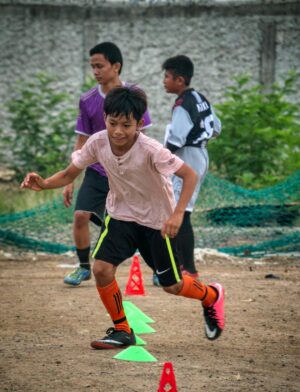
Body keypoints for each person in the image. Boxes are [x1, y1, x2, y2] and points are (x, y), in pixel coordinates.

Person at [21, 86, 225, 348]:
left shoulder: (151, 150)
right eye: (112, 122)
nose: (118, 131)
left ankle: (211, 295)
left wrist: (176, 215)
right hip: (121, 216)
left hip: (156, 223)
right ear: (105, 118)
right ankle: (122, 330)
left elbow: (189, 175)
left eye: (126, 125)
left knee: (172, 285)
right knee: (101, 269)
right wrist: (44, 183)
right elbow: (71, 173)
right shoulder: (97, 142)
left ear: (139, 124)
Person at [63, 42, 151, 286]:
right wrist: (70, 178)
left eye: (99, 66)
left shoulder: (134, 95)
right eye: (92, 67)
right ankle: (83, 267)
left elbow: (145, 136)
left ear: (116, 66)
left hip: (128, 173)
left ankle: (158, 265)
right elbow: (82, 139)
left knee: (141, 223)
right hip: (97, 171)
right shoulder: (88, 100)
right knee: (81, 215)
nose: (95, 71)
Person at [158, 54, 222, 280]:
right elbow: (216, 128)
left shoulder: (182, 104)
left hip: (188, 156)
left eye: (167, 77)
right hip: (201, 153)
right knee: (179, 210)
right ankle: (177, 266)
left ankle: (186, 269)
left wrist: (160, 160)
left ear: (180, 80)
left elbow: (176, 139)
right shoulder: (200, 97)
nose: (164, 81)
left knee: (179, 212)